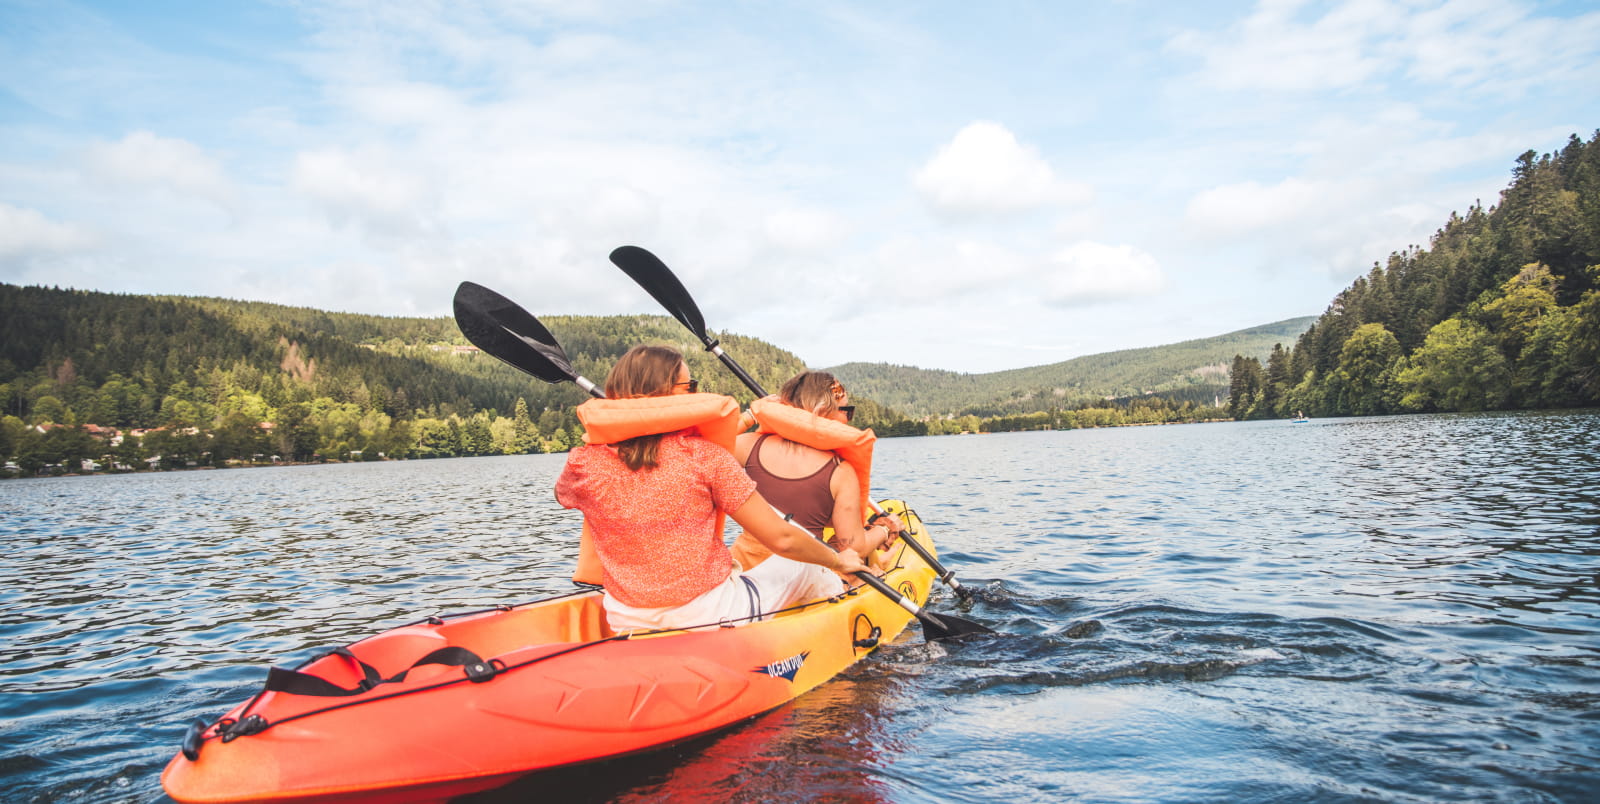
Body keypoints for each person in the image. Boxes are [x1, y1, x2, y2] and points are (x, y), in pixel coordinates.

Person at [554, 345, 870, 634]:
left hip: (625, 618)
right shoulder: (705, 457)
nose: (696, 393)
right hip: (708, 616)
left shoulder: (582, 463)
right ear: (665, 393)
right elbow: (783, 538)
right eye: (689, 387)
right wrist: (838, 561)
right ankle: (837, 630)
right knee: (804, 561)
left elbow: (563, 495)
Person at [730, 371, 900, 571]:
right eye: (846, 410)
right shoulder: (841, 472)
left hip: (745, 567)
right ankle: (879, 564)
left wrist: (750, 415)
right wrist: (885, 529)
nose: (848, 418)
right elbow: (853, 547)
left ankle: (879, 562)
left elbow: (703, 445)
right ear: (822, 413)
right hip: (804, 576)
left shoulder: (747, 446)